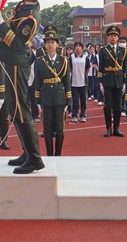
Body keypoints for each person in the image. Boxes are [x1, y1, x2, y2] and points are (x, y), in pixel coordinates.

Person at [0, 0, 50, 174]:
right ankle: (27, 153)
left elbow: (15, 43)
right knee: (15, 109)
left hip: (17, 61)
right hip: (11, 60)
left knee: (21, 109)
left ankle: (35, 158)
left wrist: (1, 24)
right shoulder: (24, 7)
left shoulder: (31, 17)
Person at [34, 24, 71, 156]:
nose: (50, 45)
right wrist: (37, 100)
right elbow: (37, 81)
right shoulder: (40, 61)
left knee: (60, 128)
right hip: (46, 97)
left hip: (60, 96)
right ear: (45, 45)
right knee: (47, 128)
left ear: (57, 45)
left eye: (53, 42)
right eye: (48, 42)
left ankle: (58, 155)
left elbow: (67, 82)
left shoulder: (64, 61)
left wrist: (68, 100)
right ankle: (50, 155)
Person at [98, 25, 127, 137]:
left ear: (118, 37)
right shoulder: (103, 51)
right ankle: (108, 128)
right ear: (108, 37)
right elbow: (101, 67)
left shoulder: (123, 51)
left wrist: (125, 82)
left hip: (119, 80)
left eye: (115, 35)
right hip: (108, 80)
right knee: (108, 105)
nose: (113, 37)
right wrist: (100, 82)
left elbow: (125, 68)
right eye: (111, 35)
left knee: (118, 106)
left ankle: (117, 128)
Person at [69, 41, 90, 123]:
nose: (78, 48)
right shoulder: (71, 57)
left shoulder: (85, 57)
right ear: (74, 48)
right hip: (74, 82)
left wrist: (83, 75)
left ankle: (83, 115)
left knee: (83, 100)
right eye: (76, 46)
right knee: (75, 100)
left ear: (82, 48)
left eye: (79, 46)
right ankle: (74, 115)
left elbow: (87, 69)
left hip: (83, 82)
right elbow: (70, 68)